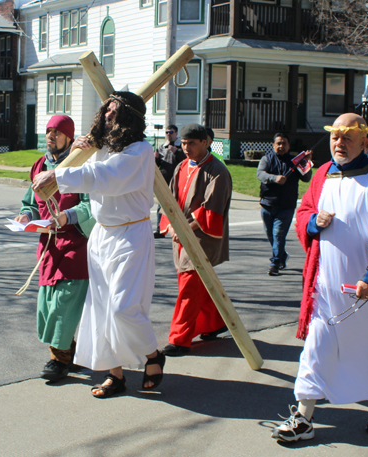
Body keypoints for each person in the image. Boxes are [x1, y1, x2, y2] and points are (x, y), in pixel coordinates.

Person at [271, 113, 368, 442]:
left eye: (347, 137)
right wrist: (313, 222)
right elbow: (304, 212)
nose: (339, 143)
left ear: (364, 141)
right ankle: (304, 415)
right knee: (316, 347)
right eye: (335, 137)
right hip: (325, 286)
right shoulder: (322, 175)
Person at [32, 91, 165, 397]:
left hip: (131, 235)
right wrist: (75, 150)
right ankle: (114, 375)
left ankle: (153, 355)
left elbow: (106, 176)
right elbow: (84, 166)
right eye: (106, 109)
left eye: (114, 110)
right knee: (102, 309)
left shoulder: (140, 151)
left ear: (129, 116)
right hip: (101, 235)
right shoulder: (101, 146)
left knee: (122, 308)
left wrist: (58, 176)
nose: (107, 114)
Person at [15, 115, 94, 382]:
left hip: (75, 243)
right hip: (48, 245)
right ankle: (69, 351)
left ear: (69, 137)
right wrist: (26, 215)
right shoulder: (39, 165)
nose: (51, 135)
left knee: (64, 302)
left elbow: (90, 206)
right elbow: (30, 201)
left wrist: (65, 217)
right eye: (48, 131)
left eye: (57, 132)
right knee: (48, 304)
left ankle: (58, 360)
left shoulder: (80, 165)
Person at [159, 123, 232, 356]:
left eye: (192, 143)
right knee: (198, 282)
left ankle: (180, 339)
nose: (186, 147)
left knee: (188, 286)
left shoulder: (217, 171)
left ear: (206, 142)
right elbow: (169, 199)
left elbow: (211, 210)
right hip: (180, 233)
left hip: (202, 236)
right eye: (184, 143)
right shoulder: (181, 166)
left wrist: (184, 229)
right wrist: (171, 224)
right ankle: (215, 321)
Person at [257, 133, 312, 276]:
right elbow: (260, 174)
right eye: (278, 143)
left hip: (286, 206)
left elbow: (306, 178)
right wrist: (274, 178)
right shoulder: (266, 159)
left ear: (289, 146)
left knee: (278, 235)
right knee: (271, 236)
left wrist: (307, 163)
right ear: (273, 145)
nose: (281, 146)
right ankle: (281, 256)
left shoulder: (295, 162)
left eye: (284, 143)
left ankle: (274, 264)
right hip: (267, 204)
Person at [154, 124, 185, 238]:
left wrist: (177, 151)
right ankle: (160, 230)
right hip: (164, 181)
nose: (168, 134)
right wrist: (156, 158)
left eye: (171, 132)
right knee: (161, 206)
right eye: (167, 132)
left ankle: (181, 229)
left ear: (176, 133)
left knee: (179, 207)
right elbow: (157, 166)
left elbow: (186, 160)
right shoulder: (162, 147)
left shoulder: (181, 146)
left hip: (178, 182)